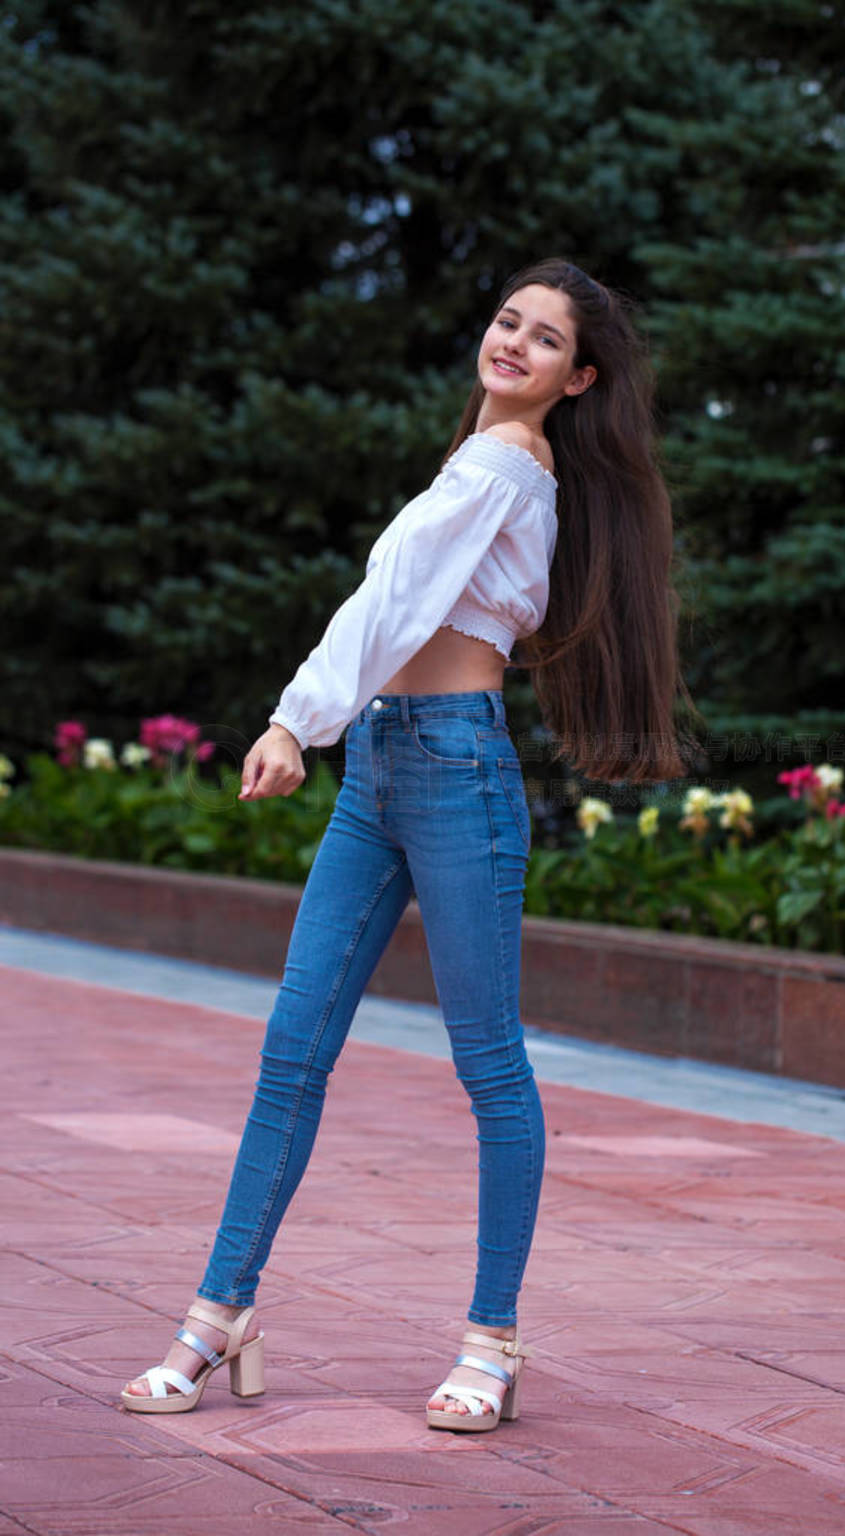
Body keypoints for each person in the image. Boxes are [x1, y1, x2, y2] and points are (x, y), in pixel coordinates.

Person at [120, 257, 698, 1432]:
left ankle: (492, 1339)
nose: (512, 343)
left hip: (452, 769)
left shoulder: (504, 464)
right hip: (382, 766)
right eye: (505, 320)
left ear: (577, 380)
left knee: (488, 1064)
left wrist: (295, 718)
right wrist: (334, 726)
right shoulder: (475, 465)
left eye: (543, 341)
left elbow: (387, 600)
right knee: (292, 1050)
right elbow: (398, 599)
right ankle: (218, 1316)